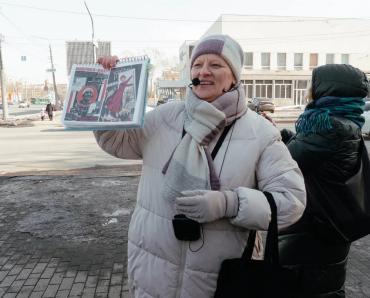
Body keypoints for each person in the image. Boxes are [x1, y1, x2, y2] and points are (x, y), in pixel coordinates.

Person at [94, 34, 306, 297]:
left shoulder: (260, 133)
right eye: (197, 65)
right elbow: (115, 142)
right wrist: (109, 85)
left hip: (222, 283)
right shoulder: (164, 117)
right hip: (154, 273)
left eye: (216, 65)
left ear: (234, 77)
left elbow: (291, 202)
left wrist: (228, 204)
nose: (204, 71)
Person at [278, 64, 369, 297]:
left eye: (313, 83)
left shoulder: (328, 126)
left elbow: (288, 162)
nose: (310, 89)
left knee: (309, 286)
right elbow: (310, 152)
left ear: (328, 89)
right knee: (328, 284)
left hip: (315, 229)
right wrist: (285, 136)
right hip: (332, 224)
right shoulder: (347, 122)